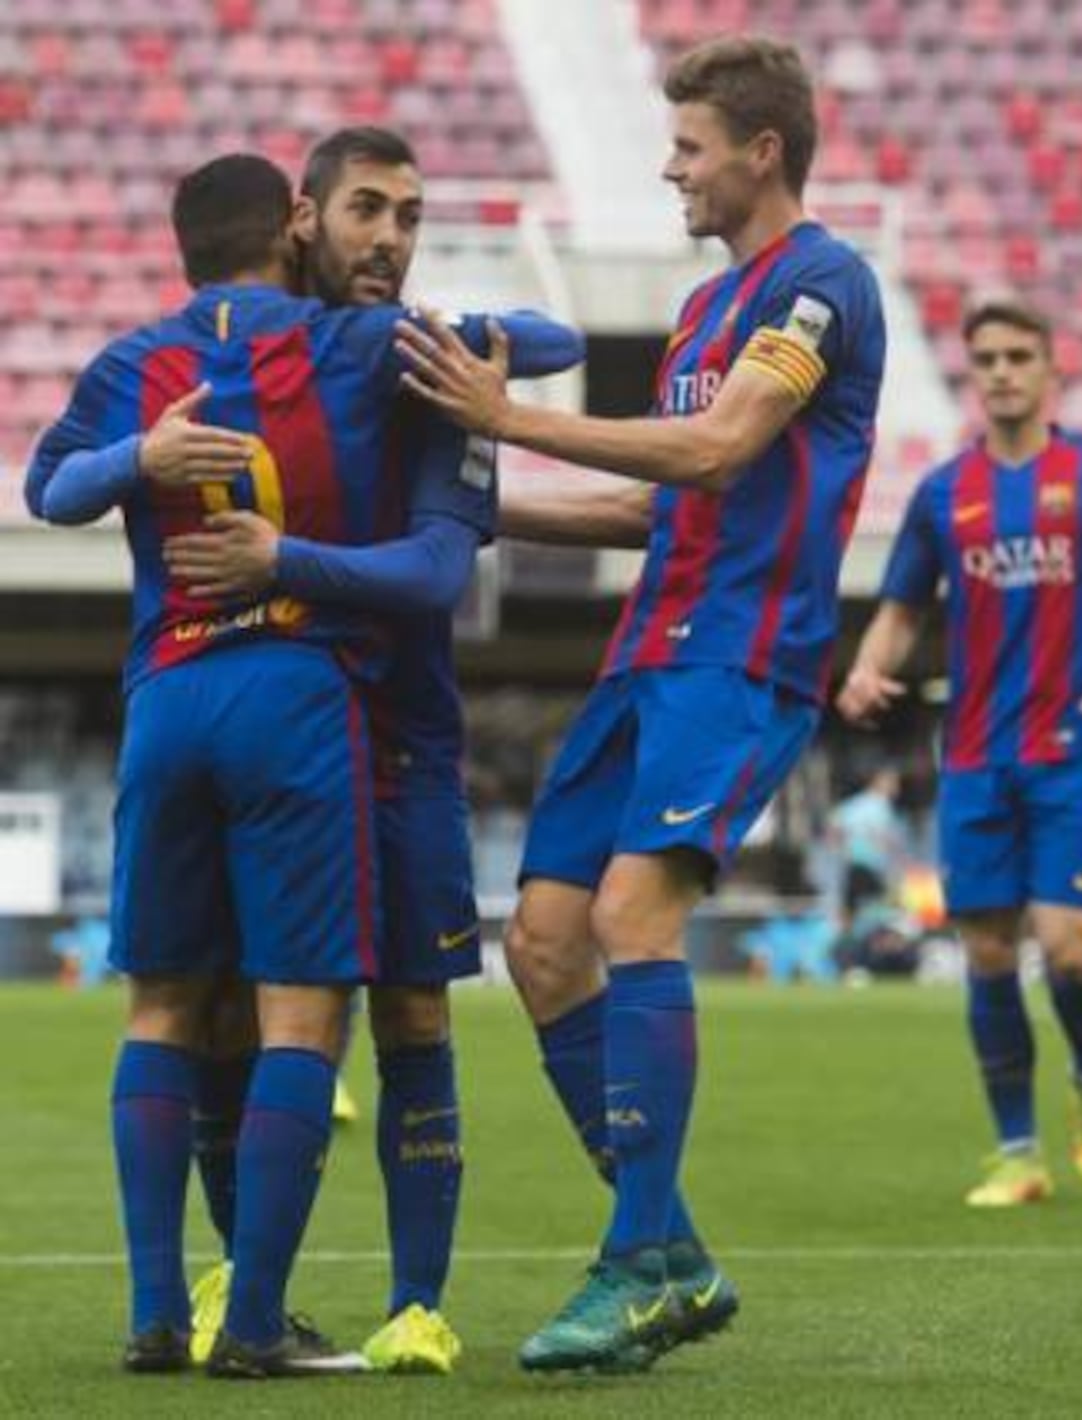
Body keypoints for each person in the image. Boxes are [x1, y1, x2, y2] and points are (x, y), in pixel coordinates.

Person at [25, 152, 582, 1377]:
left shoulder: (138, 363)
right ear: (296, 222)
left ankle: (168, 1310)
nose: (389, 237)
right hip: (303, 699)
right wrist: (459, 335)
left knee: (174, 1005)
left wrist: (142, 460)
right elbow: (552, 338)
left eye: (409, 216)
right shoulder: (362, 353)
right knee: (303, 1015)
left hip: (171, 689)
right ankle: (260, 1314)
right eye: (368, 211)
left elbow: (45, 485)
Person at [396, 34, 885, 1373]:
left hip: (741, 656)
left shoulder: (823, 284)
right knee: (545, 944)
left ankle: (634, 1263)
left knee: (627, 915)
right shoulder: (701, 310)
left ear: (761, 150)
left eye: (688, 146)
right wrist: (485, 509)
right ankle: (668, 1252)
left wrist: (507, 420)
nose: (670, 167)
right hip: (645, 653)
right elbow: (665, 494)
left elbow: (720, 448)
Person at [837, 298, 1082, 1207]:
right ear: (971, 372)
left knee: (1068, 952)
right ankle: (1019, 1153)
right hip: (976, 755)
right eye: (985, 358)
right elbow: (903, 606)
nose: (1002, 372)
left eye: (1019, 355)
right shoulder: (945, 493)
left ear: (1050, 366)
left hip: (1069, 751)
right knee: (987, 954)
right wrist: (869, 668)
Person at [829, 765, 904, 924]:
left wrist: (841, 852)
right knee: (887, 908)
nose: (897, 786)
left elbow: (834, 827)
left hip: (854, 863)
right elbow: (886, 839)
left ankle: (846, 939)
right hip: (871, 866)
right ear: (878, 781)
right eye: (892, 781)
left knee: (851, 909)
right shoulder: (880, 805)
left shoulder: (855, 803)